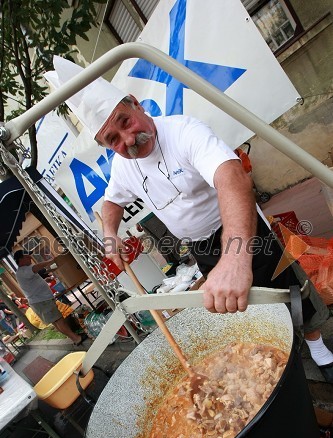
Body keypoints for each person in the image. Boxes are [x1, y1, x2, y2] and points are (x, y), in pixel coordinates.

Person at [46, 56, 333, 382]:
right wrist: (110, 235)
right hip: (201, 247)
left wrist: (236, 259)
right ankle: (279, 360)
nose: (127, 141)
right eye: (113, 139)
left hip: (239, 228)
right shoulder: (123, 166)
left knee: (290, 290)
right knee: (242, 309)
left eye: (125, 122)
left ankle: (318, 348)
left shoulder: (184, 131)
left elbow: (232, 178)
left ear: (136, 105)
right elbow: (111, 202)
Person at [13, 250, 87, 346]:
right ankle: (76, 339)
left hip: (40, 301)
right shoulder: (23, 270)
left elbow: (31, 282)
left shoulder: (23, 271)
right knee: (59, 321)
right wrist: (51, 261)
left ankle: (73, 337)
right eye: (27, 257)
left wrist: (44, 280)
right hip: (42, 301)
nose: (30, 258)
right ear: (21, 259)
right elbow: (36, 267)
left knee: (56, 322)